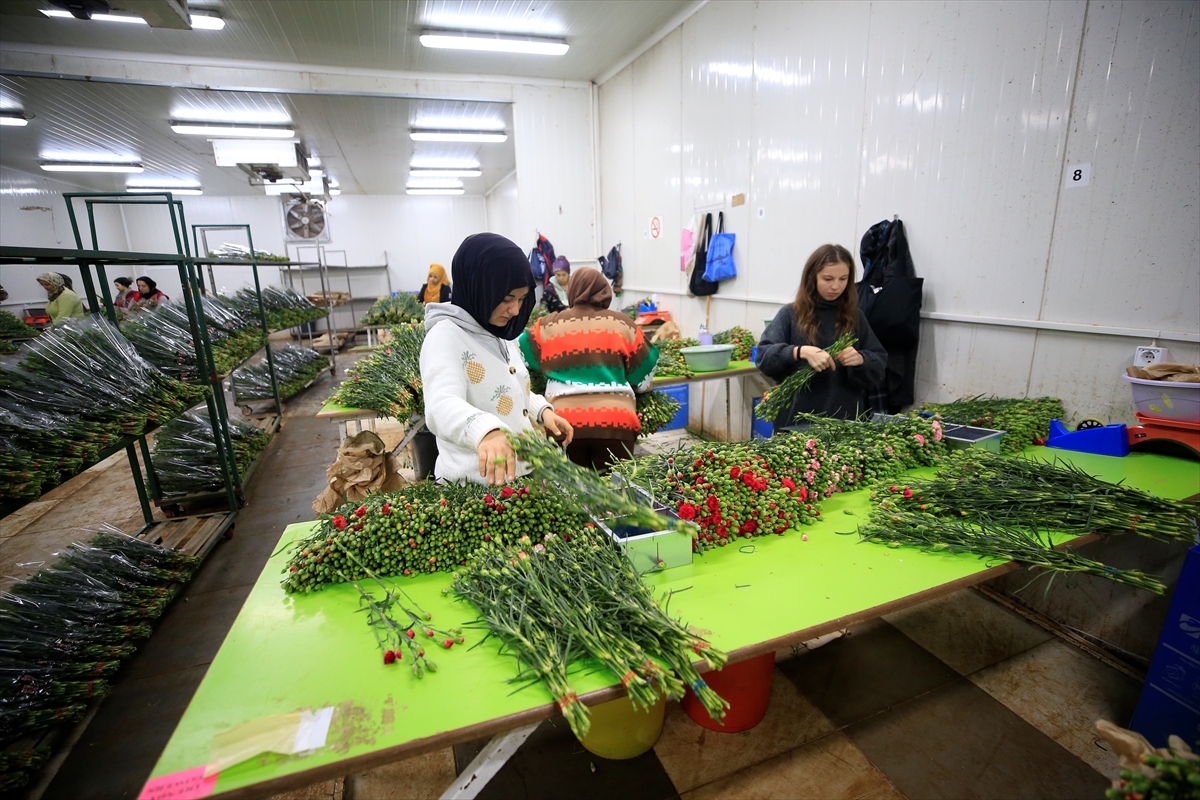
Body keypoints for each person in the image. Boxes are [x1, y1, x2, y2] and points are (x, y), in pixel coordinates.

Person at [420, 233, 574, 486]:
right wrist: (486, 432)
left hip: (519, 477)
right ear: (479, 288)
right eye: (506, 299)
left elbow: (508, 387)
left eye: (522, 299)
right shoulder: (445, 338)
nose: (515, 310)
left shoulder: (499, 331)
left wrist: (540, 411)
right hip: (474, 489)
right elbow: (440, 405)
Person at [520, 267, 658, 472]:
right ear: (605, 291)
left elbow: (520, 353)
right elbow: (646, 371)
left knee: (571, 495)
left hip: (562, 423)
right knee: (615, 493)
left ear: (572, 291)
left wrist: (551, 367)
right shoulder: (622, 324)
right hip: (616, 424)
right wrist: (638, 386)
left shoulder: (548, 326)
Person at [756, 243, 886, 424]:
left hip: (843, 422)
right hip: (795, 423)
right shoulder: (791, 314)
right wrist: (799, 351)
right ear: (812, 277)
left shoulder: (855, 317)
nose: (836, 286)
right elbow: (763, 357)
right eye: (828, 279)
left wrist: (861, 360)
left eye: (843, 279)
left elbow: (880, 362)